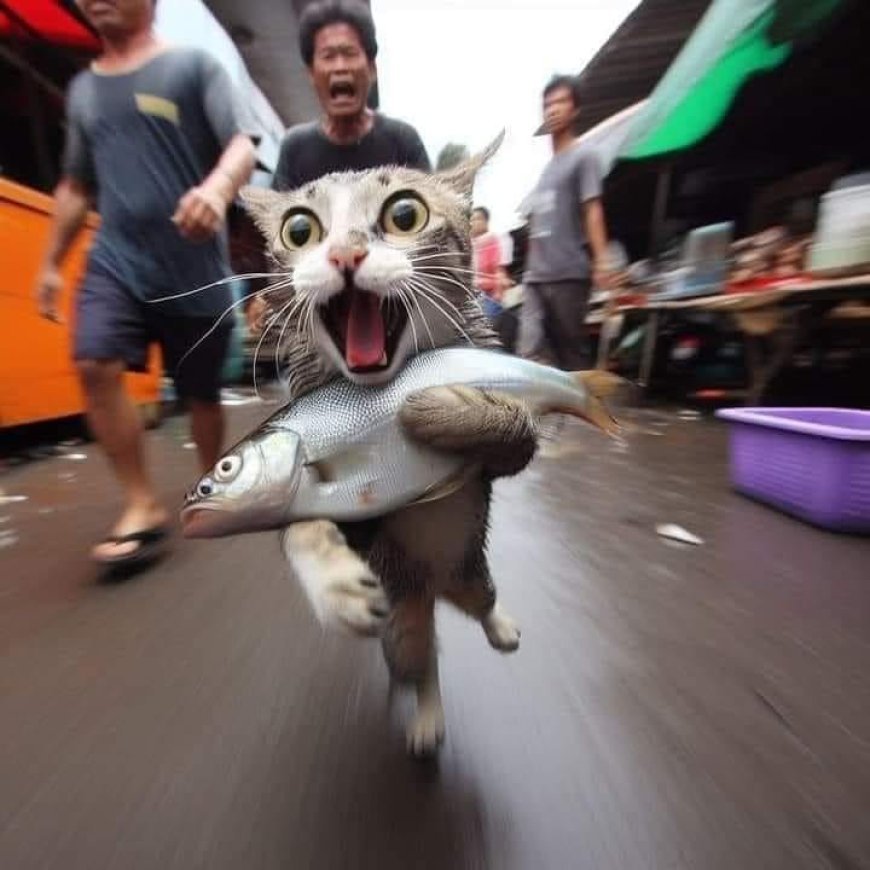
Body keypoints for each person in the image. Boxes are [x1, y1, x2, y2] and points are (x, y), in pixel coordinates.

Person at [34, 0, 257, 567]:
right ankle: (141, 504)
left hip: (195, 278)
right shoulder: (84, 90)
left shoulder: (192, 67)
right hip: (117, 262)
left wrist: (215, 191)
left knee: (201, 398)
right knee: (92, 361)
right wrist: (52, 263)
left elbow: (241, 145)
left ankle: (211, 483)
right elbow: (76, 184)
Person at [271, 0, 430, 193]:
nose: (340, 66)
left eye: (350, 53)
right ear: (311, 74)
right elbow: (276, 220)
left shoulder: (402, 140)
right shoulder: (294, 148)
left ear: (372, 69)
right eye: (328, 56)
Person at [520, 74, 615, 370]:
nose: (552, 109)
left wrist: (602, 261)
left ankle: (584, 410)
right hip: (536, 277)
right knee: (528, 350)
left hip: (569, 275)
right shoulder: (547, 169)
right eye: (547, 104)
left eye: (561, 102)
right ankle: (529, 415)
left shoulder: (584, 156)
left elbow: (592, 209)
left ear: (575, 110)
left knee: (570, 356)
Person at [470, 206, 512, 322]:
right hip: (474, 296)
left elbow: (499, 269)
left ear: (486, 221)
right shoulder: (470, 243)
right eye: (471, 220)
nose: (473, 223)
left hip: (490, 296)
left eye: (477, 219)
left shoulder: (494, 240)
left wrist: (497, 295)